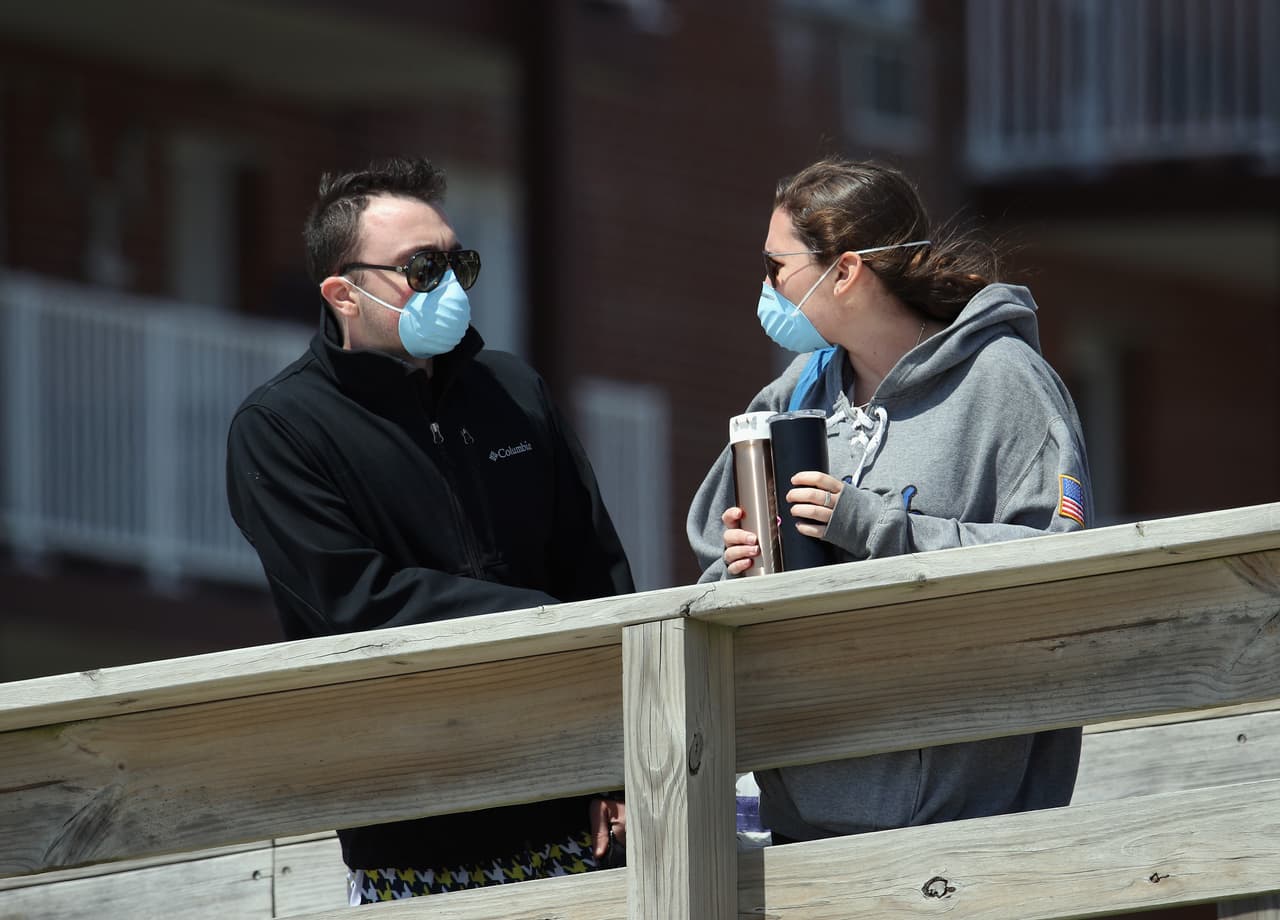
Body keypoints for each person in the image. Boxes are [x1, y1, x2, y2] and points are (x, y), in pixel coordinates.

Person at [226, 156, 633, 903]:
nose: (447, 284)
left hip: (573, 808)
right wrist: (535, 614)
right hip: (411, 827)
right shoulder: (280, 428)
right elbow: (356, 601)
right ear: (342, 293)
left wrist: (620, 764)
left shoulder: (513, 389)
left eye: (457, 262)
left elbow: (595, 571)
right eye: (422, 266)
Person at [687, 157, 1092, 843]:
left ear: (843, 272)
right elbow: (710, 577)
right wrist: (741, 564)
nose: (764, 288)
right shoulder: (788, 401)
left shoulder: (1003, 382)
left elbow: (1059, 565)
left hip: (964, 829)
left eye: (773, 266)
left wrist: (876, 525)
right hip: (802, 831)